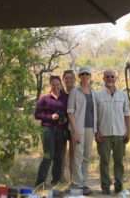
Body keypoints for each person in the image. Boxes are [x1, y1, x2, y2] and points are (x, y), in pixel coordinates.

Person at [95, 69, 130, 195]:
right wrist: (96, 131)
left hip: (120, 134)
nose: (110, 78)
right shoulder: (98, 96)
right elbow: (95, 116)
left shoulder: (123, 96)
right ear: (103, 79)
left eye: (112, 76)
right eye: (107, 76)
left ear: (115, 78)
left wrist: (128, 131)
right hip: (103, 134)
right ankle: (105, 186)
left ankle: (119, 186)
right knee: (104, 161)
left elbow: (127, 114)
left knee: (119, 162)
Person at [67, 66, 97, 195]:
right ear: (79, 76)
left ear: (90, 76)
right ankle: (77, 185)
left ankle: (84, 183)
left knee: (86, 157)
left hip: (91, 128)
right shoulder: (75, 91)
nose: (85, 77)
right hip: (78, 128)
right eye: (83, 74)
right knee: (78, 156)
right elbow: (70, 112)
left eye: (87, 74)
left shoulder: (93, 91)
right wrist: (74, 131)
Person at [35, 75, 68, 187]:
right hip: (48, 128)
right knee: (49, 154)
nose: (56, 86)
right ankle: (40, 182)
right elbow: (37, 115)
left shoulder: (66, 97)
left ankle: (56, 181)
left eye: (58, 84)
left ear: (61, 85)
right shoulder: (44, 98)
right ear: (50, 85)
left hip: (61, 129)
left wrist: (65, 119)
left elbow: (70, 112)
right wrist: (51, 117)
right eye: (53, 84)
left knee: (59, 156)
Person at [61, 69, 76, 182]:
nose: (68, 80)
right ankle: (61, 177)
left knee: (73, 153)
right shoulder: (61, 94)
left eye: (71, 78)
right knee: (61, 153)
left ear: (74, 79)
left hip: (74, 127)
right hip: (62, 127)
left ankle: (73, 178)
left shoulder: (78, 93)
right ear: (63, 80)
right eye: (66, 78)